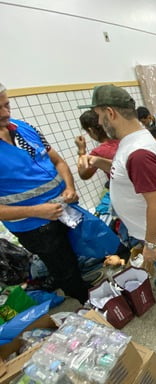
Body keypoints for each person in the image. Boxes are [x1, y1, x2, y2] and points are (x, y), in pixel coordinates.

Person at [79, 85, 156, 324]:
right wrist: (99, 161)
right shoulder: (130, 141)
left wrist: (151, 244)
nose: (99, 122)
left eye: (100, 115)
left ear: (110, 113)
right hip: (147, 225)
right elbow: (123, 175)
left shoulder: (139, 152)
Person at [0, 83, 89, 303]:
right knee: (63, 268)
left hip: (64, 208)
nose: (5, 113)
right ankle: (86, 304)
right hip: (33, 226)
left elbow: (58, 161)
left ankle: (83, 287)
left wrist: (70, 187)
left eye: (6, 104)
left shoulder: (22, 128)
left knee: (75, 253)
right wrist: (37, 211)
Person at [75, 110, 119, 180]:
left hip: (119, 186)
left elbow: (83, 174)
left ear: (91, 130)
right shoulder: (120, 138)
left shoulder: (98, 152)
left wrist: (81, 150)